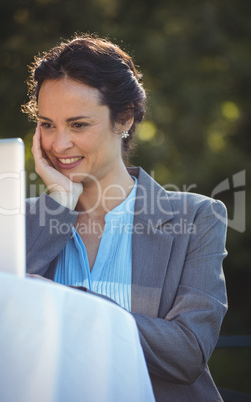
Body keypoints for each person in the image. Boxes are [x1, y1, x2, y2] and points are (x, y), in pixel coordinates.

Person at [23, 34, 228, 401]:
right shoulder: (17, 222)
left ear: (125, 119)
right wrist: (59, 201)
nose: (58, 145)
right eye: (48, 124)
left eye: (78, 125)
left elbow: (186, 354)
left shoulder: (196, 218)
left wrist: (74, 306)